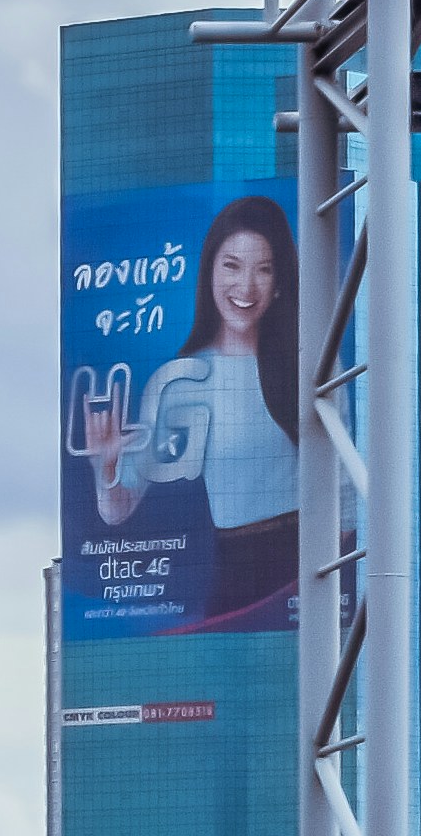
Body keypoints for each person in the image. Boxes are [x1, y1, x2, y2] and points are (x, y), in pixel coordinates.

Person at [79, 194, 300, 623]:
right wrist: (106, 466)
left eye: (264, 269)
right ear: (210, 272)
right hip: (234, 567)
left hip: (311, 568)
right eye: (232, 266)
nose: (246, 287)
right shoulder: (178, 381)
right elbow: (117, 510)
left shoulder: (313, 363)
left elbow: (347, 499)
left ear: (279, 284)